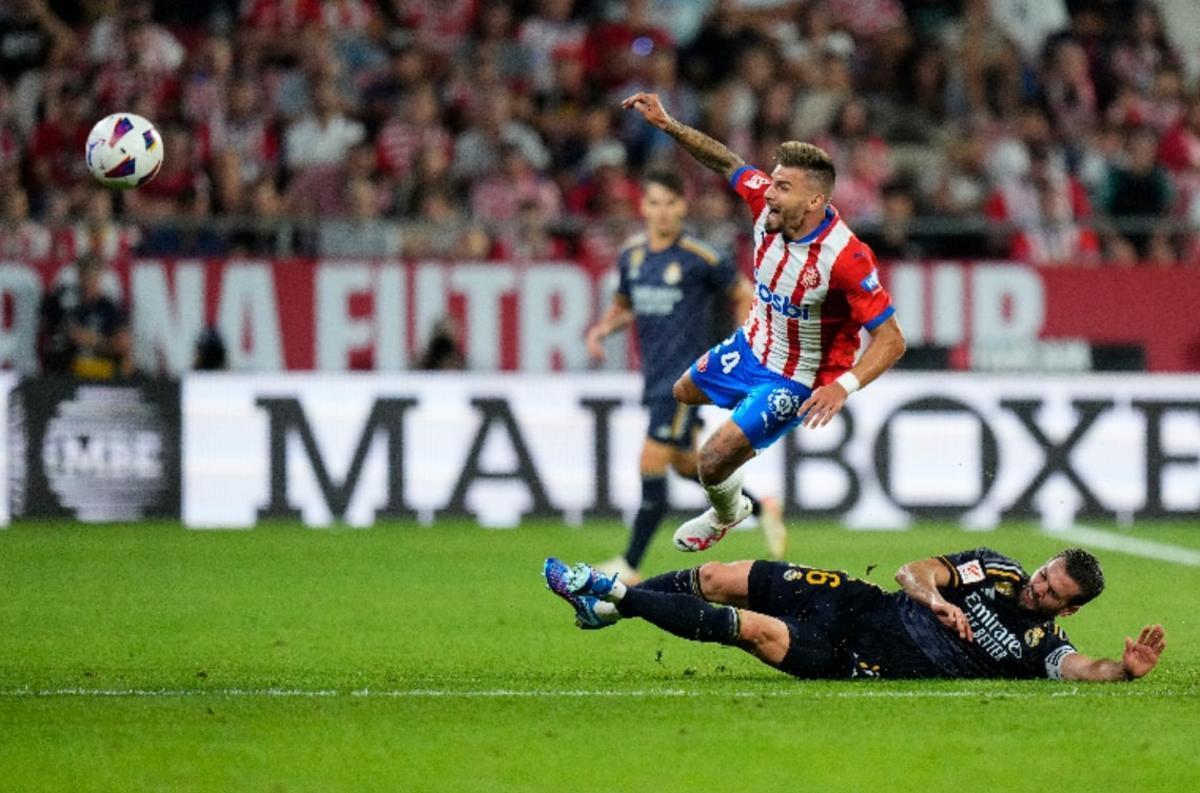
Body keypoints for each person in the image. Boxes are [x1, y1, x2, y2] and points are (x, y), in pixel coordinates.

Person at [620, 92, 907, 553]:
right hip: (752, 346)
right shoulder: (764, 204)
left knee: (711, 460)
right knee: (683, 393)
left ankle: (728, 513)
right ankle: (745, 452)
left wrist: (842, 387)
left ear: (814, 200)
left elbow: (892, 341)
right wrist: (668, 124)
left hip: (798, 378)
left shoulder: (846, 258)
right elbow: (725, 160)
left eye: (783, 188)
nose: (769, 193)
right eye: (771, 183)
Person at [543, 547, 1166, 682]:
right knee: (717, 577)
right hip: (855, 601)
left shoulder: (1042, 648)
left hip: (855, 658)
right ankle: (609, 610)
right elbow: (913, 573)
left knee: (751, 630)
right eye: (1041, 575)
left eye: (1050, 593)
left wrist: (1125, 671)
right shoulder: (995, 570)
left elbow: (1085, 669)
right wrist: (937, 600)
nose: (1035, 589)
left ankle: (613, 594)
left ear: (1071, 607)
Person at [586, 169, 787, 583]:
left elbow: (743, 293)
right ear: (643, 207)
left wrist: (743, 346)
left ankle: (630, 565)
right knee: (686, 465)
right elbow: (627, 303)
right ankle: (759, 505)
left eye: (670, 203)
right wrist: (604, 328)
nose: (662, 212)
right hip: (655, 376)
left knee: (651, 458)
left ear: (683, 206)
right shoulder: (633, 257)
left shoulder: (701, 257)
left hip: (687, 380)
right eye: (654, 203)